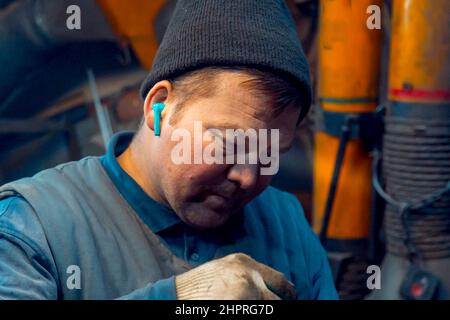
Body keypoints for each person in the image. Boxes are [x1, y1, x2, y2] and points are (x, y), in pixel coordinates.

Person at [0, 0, 338, 299]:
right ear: (160, 106)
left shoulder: (284, 221)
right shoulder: (34, 226)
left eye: (271, 153)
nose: (248, 178)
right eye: (231, 143)